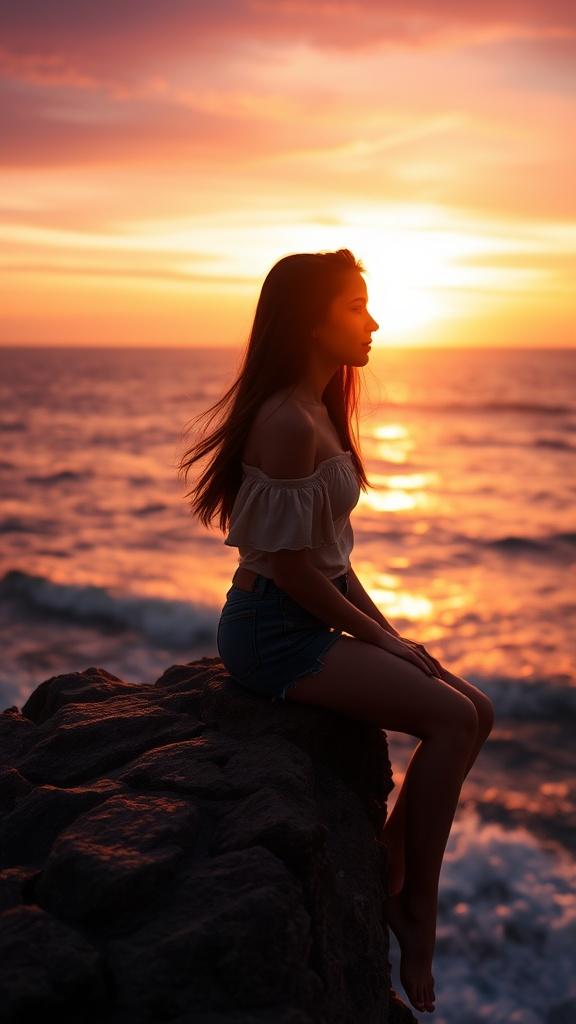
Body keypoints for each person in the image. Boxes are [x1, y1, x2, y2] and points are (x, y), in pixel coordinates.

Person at [178, 248, 495, 1015]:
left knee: (475, 707)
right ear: (308, 318)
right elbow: (290, 571)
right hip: (272, 631)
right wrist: (379, 643)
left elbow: (333, 561)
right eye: (356, 306)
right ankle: (415, 906)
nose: (374, 322)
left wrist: (393, 637)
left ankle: (390, 856)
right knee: (452, 719)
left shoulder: (319, 408)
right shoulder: (287, 421)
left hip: (305, 612)